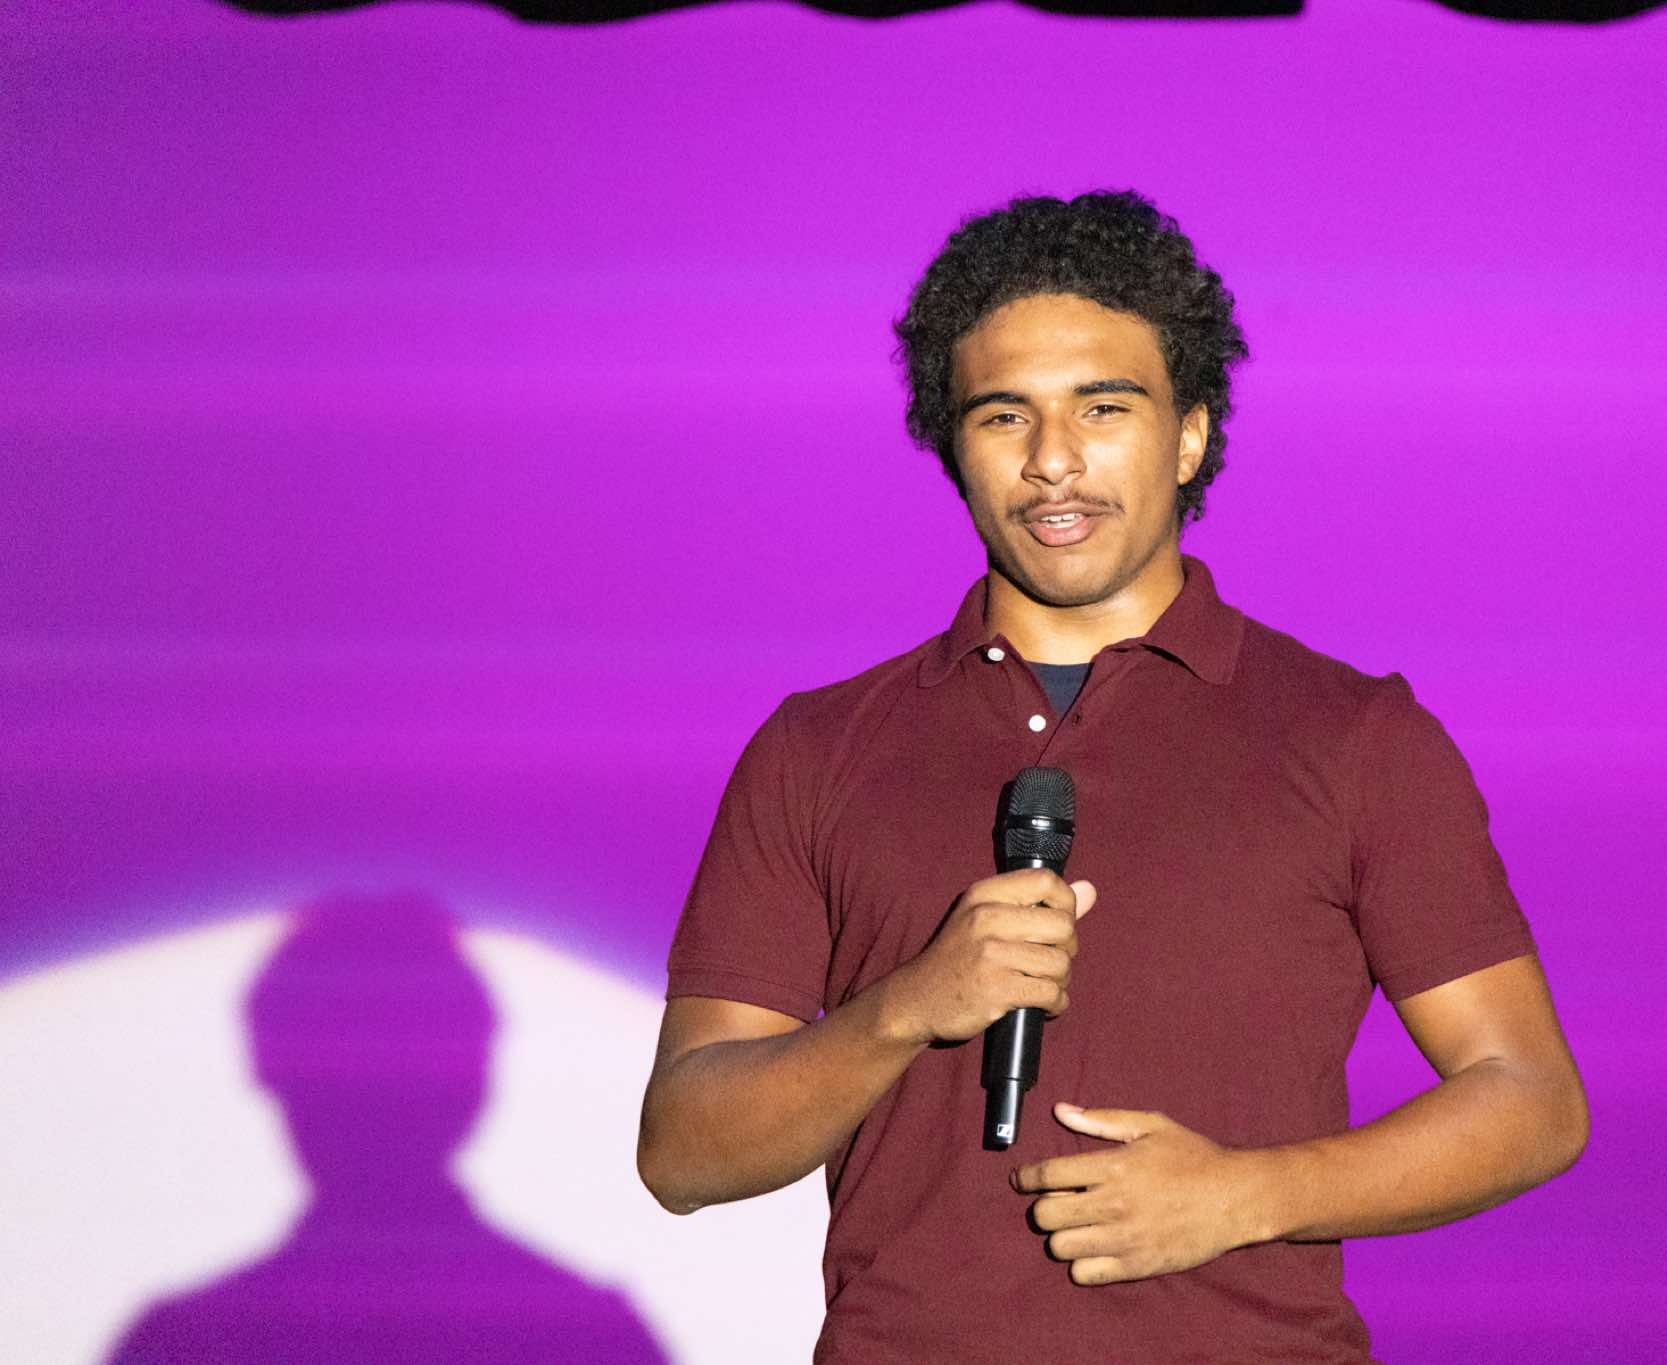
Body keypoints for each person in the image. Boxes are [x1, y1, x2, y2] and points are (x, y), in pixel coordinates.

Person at [638, 190, 1588, 1363]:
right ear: (954, 448)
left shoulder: (1353, 736)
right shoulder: (817, 748)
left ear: (1187, 434)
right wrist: (903, 1009)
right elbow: (683, 1151)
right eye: (1003, 416)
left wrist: (1245, 1194)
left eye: (1101, 408)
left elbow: (1528, 1099)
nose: (1052, 462)